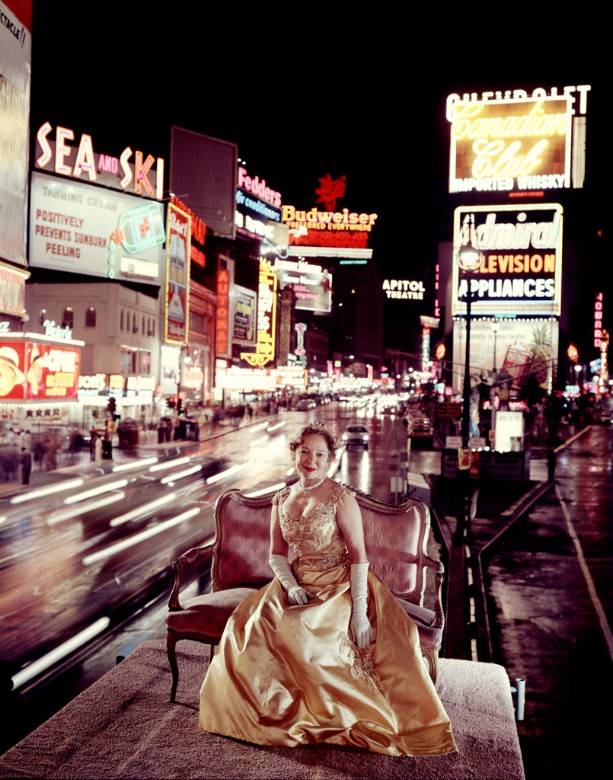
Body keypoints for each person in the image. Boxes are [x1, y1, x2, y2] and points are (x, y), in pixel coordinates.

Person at [199, 422, 457, 757]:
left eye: (320, 454)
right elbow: (276, 554)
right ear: (295, 453)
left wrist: (360, 614)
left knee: (302, 632)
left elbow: (359, 556)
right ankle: (266, 713)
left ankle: (313, 714)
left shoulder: (341, 498)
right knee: (247, 627)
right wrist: (291, 586)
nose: (311, 460)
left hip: (338, 584)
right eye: (305, 452)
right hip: (296, 581)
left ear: (329, 459)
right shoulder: (282, 498)